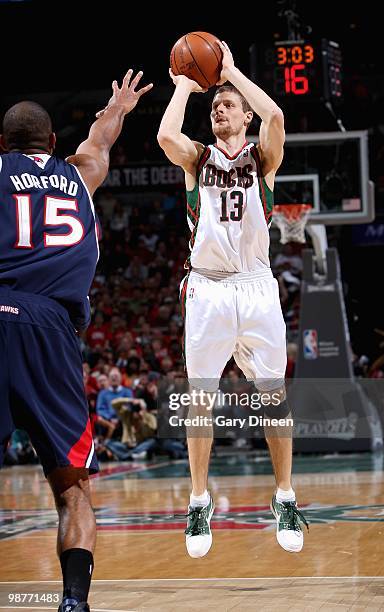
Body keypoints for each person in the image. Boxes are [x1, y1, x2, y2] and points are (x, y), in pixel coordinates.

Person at [0, 69, 152, 612]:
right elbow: (102, 137)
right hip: (50, 330)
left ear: (2, 145)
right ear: (54, 144)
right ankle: (72, 602)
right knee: (72, 488)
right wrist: (119, 107)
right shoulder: (79, 173)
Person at [157, 41, 307, 558]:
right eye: (214, 106)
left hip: (257, 285)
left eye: (227, 105)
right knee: (200, 401)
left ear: (243, 113)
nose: (219, 109)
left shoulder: (264, 159)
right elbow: (164, 135)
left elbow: (277, 114)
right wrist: (183, 86)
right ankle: (199, 501)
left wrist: (233, 74)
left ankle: (284, 496)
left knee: (273, 399)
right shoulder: (197, 159)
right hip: (208, 288)